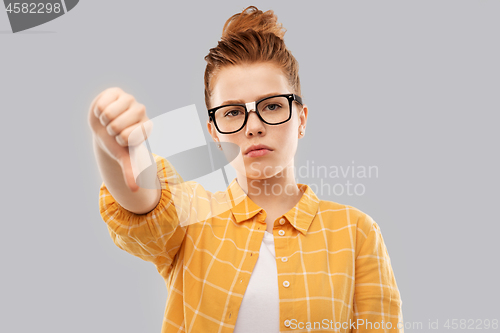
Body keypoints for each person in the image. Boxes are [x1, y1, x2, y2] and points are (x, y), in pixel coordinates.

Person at [88, 6, 403, 333]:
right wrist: (111, 144)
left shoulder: (355, 232)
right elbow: (139, 194)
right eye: (233, 112)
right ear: (214, 131)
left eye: (272, 105)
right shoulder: (193, 217)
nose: (253, 126)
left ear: (302, 118)